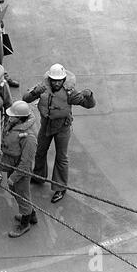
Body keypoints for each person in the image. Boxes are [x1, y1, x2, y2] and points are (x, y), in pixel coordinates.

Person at [22, 63, 96, 203]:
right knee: (40, 150)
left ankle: (60, 187)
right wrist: (34, 92)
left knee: (61, 157)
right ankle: (38, 176)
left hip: (62, 127)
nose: (56, 83)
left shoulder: (70, 93)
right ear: (49, 79)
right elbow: (25, 99)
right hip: (46, 125)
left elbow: (88, 104)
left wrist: (89, 95)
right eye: (54, 80)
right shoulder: (42, 88)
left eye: (59, 80)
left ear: (63, 80)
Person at [0, 101, 38, 237]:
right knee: (16, 192)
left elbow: (26, 164)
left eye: (13, 116)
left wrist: (13, 178)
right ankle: (31, 214)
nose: (9, 118)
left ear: (20, 118)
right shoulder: (14, 126)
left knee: (22, 195)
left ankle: (24, 224)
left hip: (20, 172)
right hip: (12, 165)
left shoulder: (29, 138)